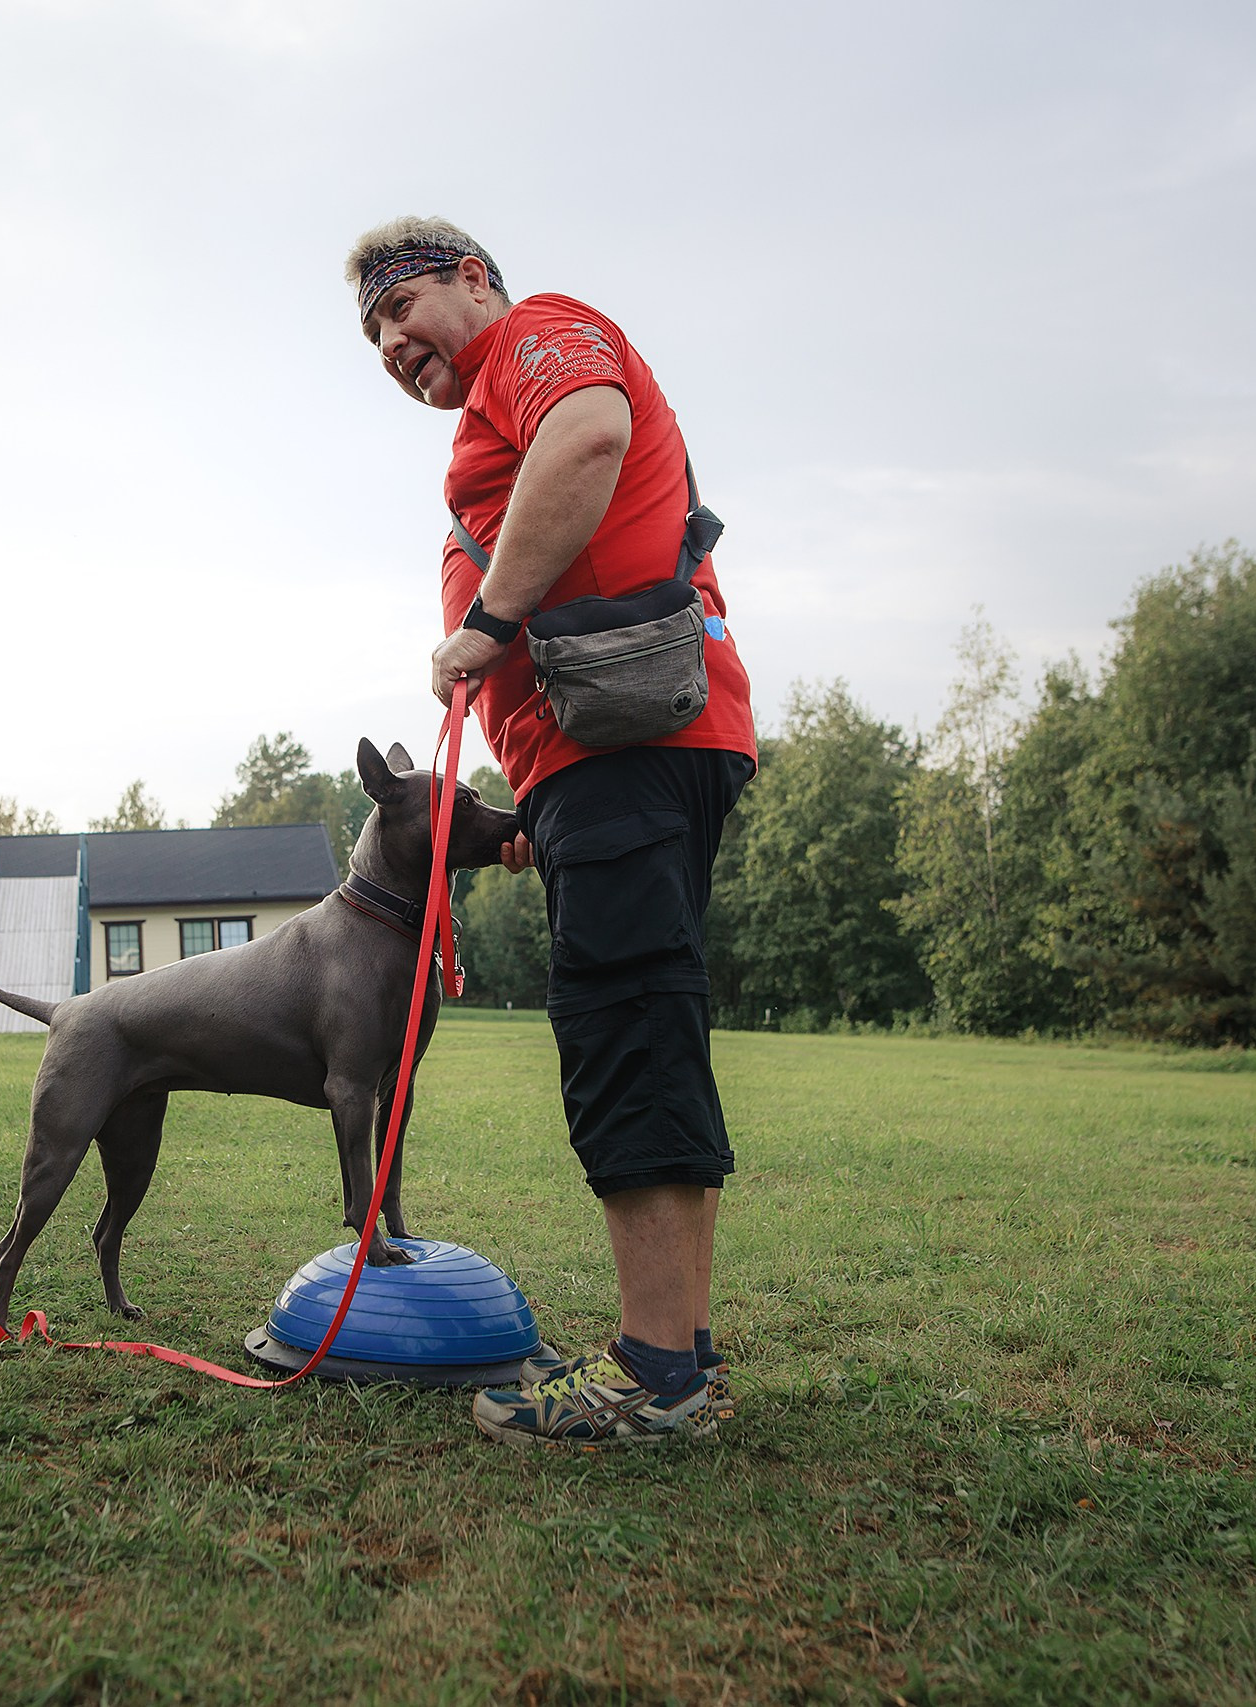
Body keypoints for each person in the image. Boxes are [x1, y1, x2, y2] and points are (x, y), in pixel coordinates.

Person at [350, 216, 759, 1447]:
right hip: (607, 766)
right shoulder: (492, 399)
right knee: (644, 1015)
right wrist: (538, 799)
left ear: (472, 279)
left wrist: (487, 616)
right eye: (369, 334)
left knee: (622, 1023)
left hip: (631, 756)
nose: (387, 344)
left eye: (399, 307)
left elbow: (589, 434)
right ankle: (680, 1352)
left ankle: (657, 1378)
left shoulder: (538, 337)